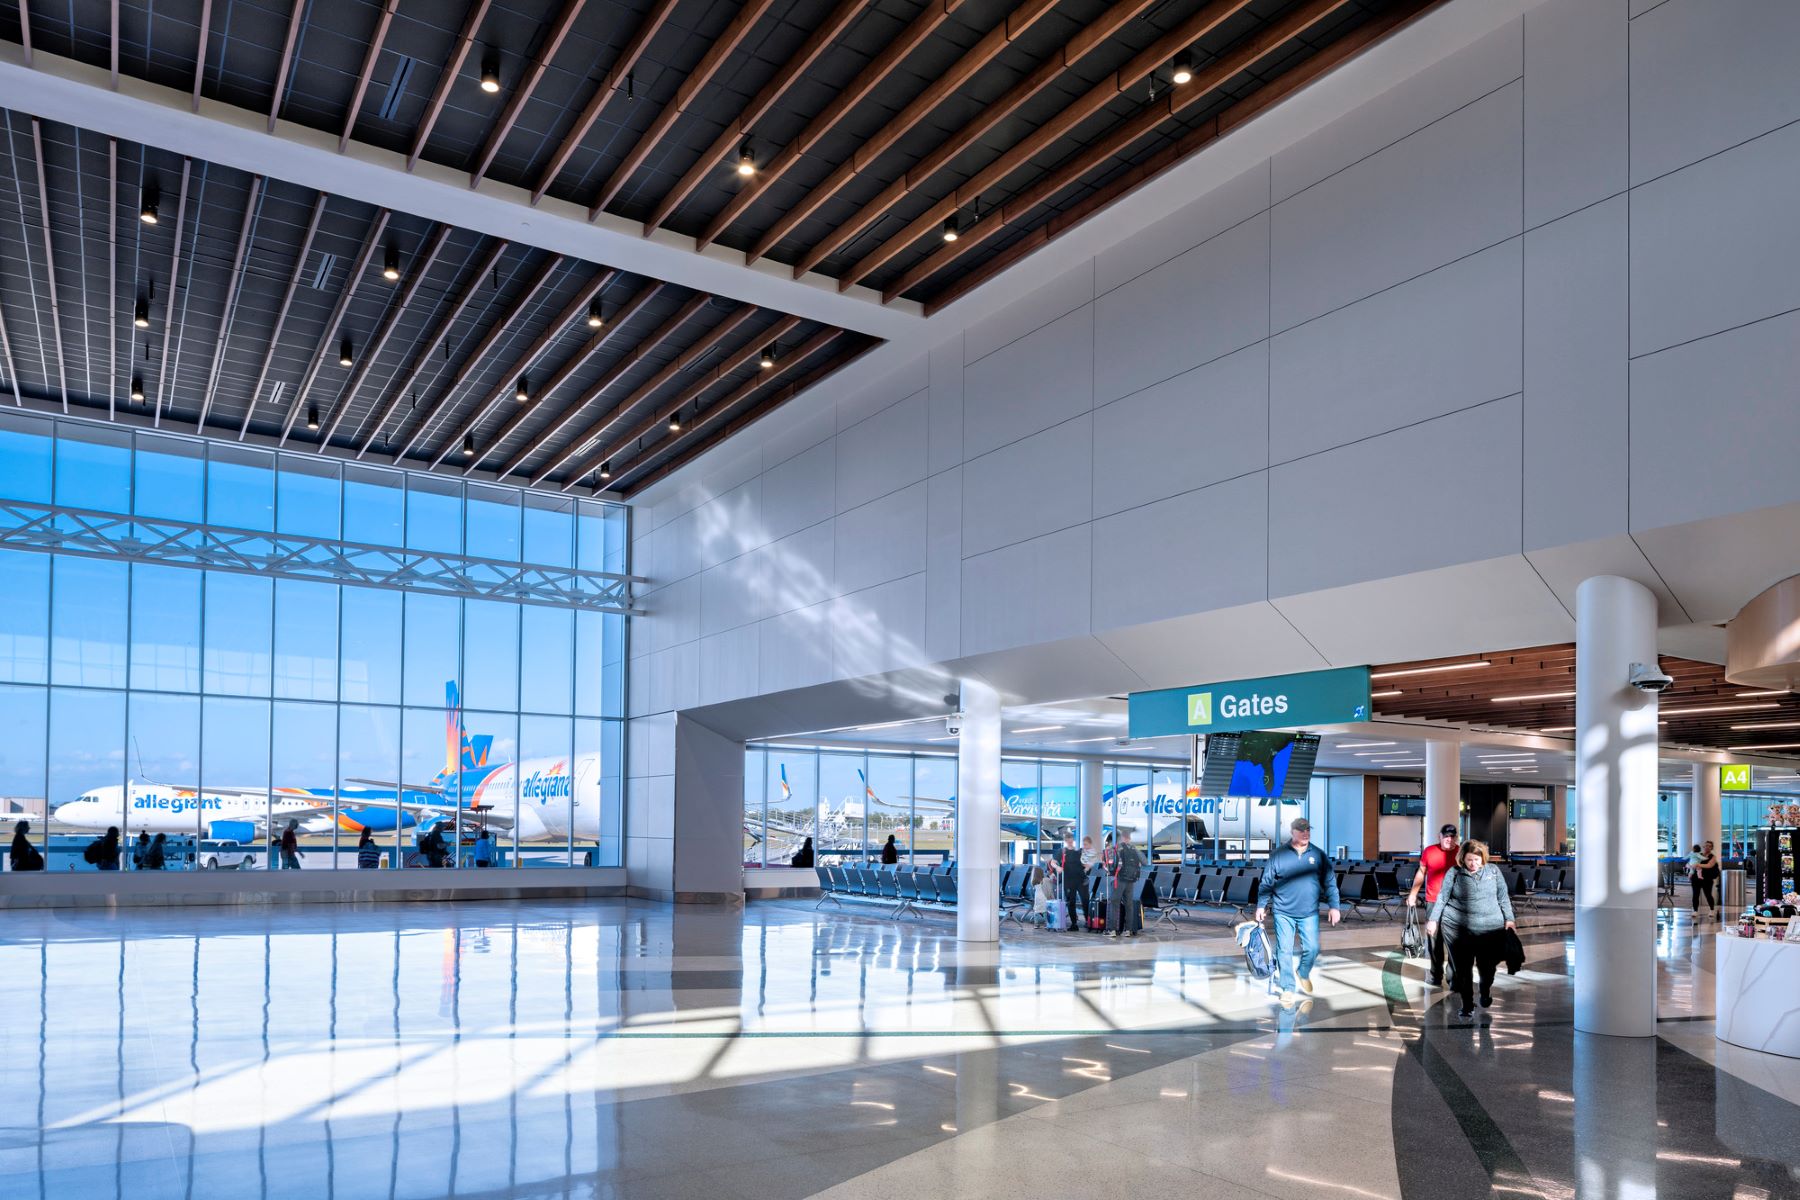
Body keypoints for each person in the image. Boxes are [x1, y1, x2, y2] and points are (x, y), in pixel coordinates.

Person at [1253, 818, 1341, 1004]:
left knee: (1313, 948)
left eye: (1308, 830)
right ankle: (1287, 987)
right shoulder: (1278, 855)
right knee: (1284, 950)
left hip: (1309, 912)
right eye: (1301, 830)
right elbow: (1266, 882)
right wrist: (1261, 905)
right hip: (1283, 911)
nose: (1305, 833)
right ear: (1292, 832)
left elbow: (1330, 882)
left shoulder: (1318, 855)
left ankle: (1302, 972)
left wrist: (1335, 906)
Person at [1426, 839, 1516, 1019]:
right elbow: (1442, 897)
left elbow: (1503, 897)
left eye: (1476, 860)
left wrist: (1510, 920)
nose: (1473, 864)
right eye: (1469, 860)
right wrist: (1434, 920)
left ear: (1483, 858)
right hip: (1457, 927)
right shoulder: (1454, 873)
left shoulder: (1493, 871)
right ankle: (1467, 1004)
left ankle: (1485, 991)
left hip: (1490, 927)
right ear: (1462, 859)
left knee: (1488, 967)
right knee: (1462, 967)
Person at [1406, 824, 1461, 987]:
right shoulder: (1429, 851)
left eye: (1452, 837)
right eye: (1446, 836)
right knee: (1434, 941)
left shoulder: (1460, 852)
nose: (1449, 840)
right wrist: (1413, 894)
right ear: (1440, 836)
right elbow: (1421, 873)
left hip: (1455, 903)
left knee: (1454, 942)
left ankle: (1454, 978)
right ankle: (1436, 974)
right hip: (1433, 901)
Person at [1107, 835, 1145, 938]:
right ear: (1129, 839)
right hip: (1131, 880)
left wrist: (1110, 871)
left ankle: (1113, 930)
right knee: (1129, 905)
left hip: (1119, 880)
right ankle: (1128, 930)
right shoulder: (1134, 849)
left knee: (1115, 904)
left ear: (1122, 839)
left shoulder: (1115, 849)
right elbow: (1144, 862)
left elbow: (1110, 864)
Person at [1058, 832, 1090, 931]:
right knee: (1071, 902)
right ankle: (1074, 924)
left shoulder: (1079, 851)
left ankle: (1088, 922)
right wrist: (1057, 867)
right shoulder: (1062, 851)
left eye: (1071, 838)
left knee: (1085, 901)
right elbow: (1053, 862)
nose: (1070, 841)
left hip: (1080, 880)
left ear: (1073, 839)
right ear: (1065, 841)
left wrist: (1087, 866)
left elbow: (1087, 862)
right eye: (1068, 839)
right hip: (1068, 880)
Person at [1686, 843, 1708, 913]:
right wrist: (1691, 866)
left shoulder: (1705, 857)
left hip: (1705, 878)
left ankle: (1711, 909)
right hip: (1695, 878)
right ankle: (1695, 910)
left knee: (1708, 895)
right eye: (1705, 847)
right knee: (1695, 894)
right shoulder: (1695, 856)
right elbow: (1688, 864)